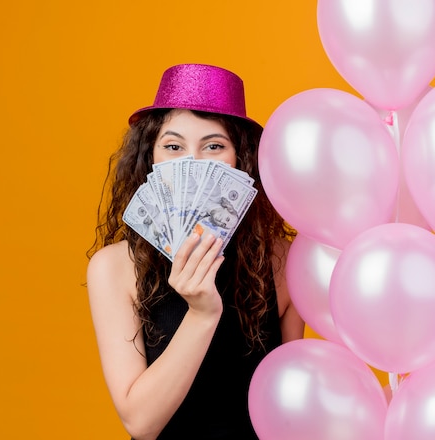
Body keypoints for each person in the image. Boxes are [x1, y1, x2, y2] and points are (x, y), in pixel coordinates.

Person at [86, 63, 305, 440]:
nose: (193, 164)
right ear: (150, 159)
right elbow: (141, 423)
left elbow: (289, 409)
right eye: (173, 147)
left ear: (242, 161)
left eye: (214, 146)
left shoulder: (283, 262)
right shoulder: (115, 268)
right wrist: (202, 313)